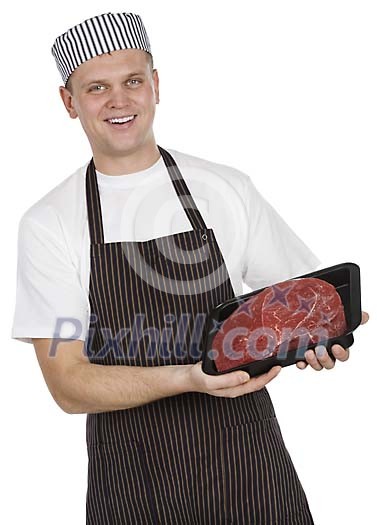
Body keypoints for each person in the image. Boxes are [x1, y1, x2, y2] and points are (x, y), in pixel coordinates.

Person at [11, 11, 369, 525]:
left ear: (155, 85)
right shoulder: (49, 223)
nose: (119, 100)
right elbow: (68, 385)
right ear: (69, 102)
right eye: (97, 87)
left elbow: (294, 303)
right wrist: (187, 378)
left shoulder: (226, 189)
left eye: (133, 80)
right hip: (134, 485)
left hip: (250, 473)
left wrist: (315, 339)